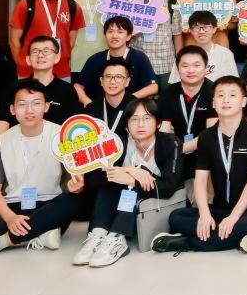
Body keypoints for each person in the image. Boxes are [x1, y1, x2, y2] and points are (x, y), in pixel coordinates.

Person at [0, 80, 81, 260]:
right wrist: (10, 217)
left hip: (48, 205)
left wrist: (77, 187)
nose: (29, 110)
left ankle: (0, 242)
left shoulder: (63, 137)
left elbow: (73, 183)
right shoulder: (0, 142)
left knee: (72, 200)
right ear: (12, 109)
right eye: (22, 104)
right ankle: (39, 234)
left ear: (46, 107)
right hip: (12, 207)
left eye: (36, 104)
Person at [154, 76, 247, 254]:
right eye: (220, 95)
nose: (226, 100)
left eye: (232, 95)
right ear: (213, 102)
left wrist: (234, 217)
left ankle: (187, 242)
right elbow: (200, 180)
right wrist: (204, 214)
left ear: (243, 101)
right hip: (221, 209)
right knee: (177, 217)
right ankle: (240, 236)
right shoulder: (206, 137)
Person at [72, 98, 183, 267]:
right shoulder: (119, 142)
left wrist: (135, 176)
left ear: (158, 123)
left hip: (158, 202)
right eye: (134, 119)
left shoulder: (171, 142)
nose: (140, 124)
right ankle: (98, 233)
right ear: (126, 125)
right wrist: (131, 170)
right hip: (125, 202)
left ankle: (117, 237)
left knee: (130, 186)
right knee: (110, 182)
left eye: (147, 118)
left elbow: (168, 186)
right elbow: (95, 179)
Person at [9, 0, 84, 79]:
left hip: (61, 71)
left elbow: (71, 40)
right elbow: (14, 40)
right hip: (30, 72)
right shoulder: (25, 6)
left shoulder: (73, 7)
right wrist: (22, 64)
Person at [0, 35, 79, 134]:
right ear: (28, 59)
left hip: (56, 142)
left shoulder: (67, 90)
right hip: (19, 142)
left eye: (46, 51)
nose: (40, 55)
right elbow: (3, 122)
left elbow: (73, 126)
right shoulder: (15, 88)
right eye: (35, 51)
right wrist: (0, 143)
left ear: (57, 57)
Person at [158, 45, 216, 180]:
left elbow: (211, 133)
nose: (190, 70)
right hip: (175, 153)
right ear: (178, 69)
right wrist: (172, 149)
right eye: (185, 66)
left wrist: (179, 149)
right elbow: (164, 130)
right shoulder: (168, 93)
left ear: (206, 68)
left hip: (206, 152)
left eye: (196, 65)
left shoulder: (215, 92)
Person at [74, 16, 158, 105]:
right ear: (105, 35)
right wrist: (88, 104)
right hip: (100, 109)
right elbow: (77, 86)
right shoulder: (95, 59)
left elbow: (153, 87)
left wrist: (129, 99)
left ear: (128, 36)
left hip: (130, 108)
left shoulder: (139, 57)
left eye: (120, 32)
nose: (114, 36)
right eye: (110, 31)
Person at [130, 0, 181, 92]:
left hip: (166, 65)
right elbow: (123, 32)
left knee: (166, 103)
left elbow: (177, 34)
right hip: (137, 63)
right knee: (137, 102)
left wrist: (180, 61)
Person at [166, 10, 237, 82]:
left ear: (214, 29)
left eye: (206, 27)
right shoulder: (183, 55)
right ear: (191, 30)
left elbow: (233, 83)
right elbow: (174, 83)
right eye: (197, 27)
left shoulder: (225, 54)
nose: (201, 31)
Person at [86, 56, 136, 142]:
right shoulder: (91, 109)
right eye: (108, 76)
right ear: (101, 81)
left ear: (127, 81)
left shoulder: (136, 107)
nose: (112, 81)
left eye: (118, 77)